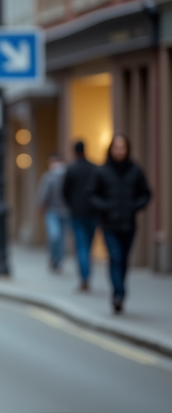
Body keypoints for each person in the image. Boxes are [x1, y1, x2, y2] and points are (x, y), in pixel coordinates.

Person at [88, 133, 152, 314]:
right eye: (116, 148)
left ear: (127, 149)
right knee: (115, 258)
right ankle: (118, 294)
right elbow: (91, 195)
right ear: (111, 150)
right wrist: (105, 207)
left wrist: (134, 206)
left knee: (124, 260)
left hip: (129, 224)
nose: (119, 151)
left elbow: (146, 194)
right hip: (109, 224)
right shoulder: (102, 171)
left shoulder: (136, 170)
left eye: (122, 147)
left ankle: (120, 292)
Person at [62, 140, 99, 291]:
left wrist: (72, 205)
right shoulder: (95, 168)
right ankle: (86, 275)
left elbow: (64, 192)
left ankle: (84, 278)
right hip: (93, 213)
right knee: (88, 246)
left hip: (77, 214)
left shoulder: (71, 169)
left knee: (81, 246)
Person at [36, 153, 69, 273]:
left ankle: (58, 261)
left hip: (66, 212)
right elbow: (43, 195)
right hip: (52, 212)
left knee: (61, 238)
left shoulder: (67, 175)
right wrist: (41, 208)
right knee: (54, 235)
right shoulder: (48, 176)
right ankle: (53, 258)